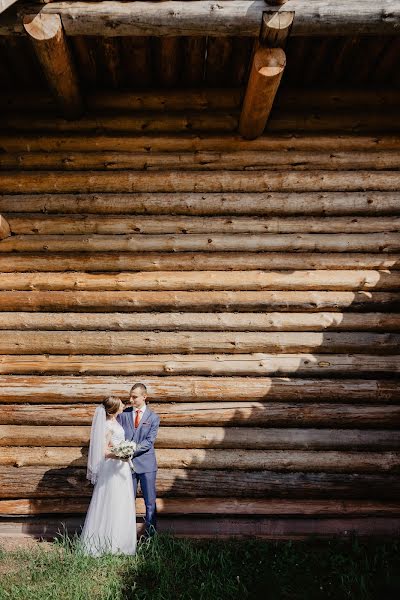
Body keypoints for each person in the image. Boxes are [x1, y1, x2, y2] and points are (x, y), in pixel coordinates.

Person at [81, 396, 137, 556]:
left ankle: (121, 543)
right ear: (113, 409)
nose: (123, 405)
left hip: (122, 468)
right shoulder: (106, 426)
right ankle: (105, 544)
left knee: (121, 502)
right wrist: (120, 455)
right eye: (120, 404)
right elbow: (104, 451)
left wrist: (124, 452)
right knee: (112, 502)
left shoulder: (115, 422)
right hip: (113, 468)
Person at [118, 383, 160, 536]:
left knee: (149, 503)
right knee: (128, 501)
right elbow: (118, 437)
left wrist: (131, 449)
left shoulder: (153, 417)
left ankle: (151, 536)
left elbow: (149, 442)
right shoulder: (123, 415)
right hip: (127, 466)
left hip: (147, 465)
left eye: (134, 397)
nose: (131, 400)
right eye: (130, 396)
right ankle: (126, 537)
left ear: (144, 397)